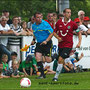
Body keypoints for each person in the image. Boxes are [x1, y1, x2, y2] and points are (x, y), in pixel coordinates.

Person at [52, 8, 82, 81]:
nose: (69, 14)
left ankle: (55, 77)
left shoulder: (73, 23)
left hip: (68, 44)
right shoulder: (59, 22)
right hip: (61, 45)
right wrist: (58, 37)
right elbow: (54, 32)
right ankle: (73, 56)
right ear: (64, 14)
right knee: (61, 61)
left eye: (70, 12)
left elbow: (79, 33)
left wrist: (79, 42)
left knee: (60, 59)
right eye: (68, 12)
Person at [31, 12, 53, 79]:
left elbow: (51, 33)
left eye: (41, 17)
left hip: (47, 43)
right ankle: (42, 75)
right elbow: (35, 33)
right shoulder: (33, 26)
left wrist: (46, 41)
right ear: (34, 18)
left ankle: (56, 56)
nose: (40, 19)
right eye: (38, 17)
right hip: (39, 44)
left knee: (48, 60)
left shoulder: (45, 24)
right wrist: (34, 40)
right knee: (37, 58)